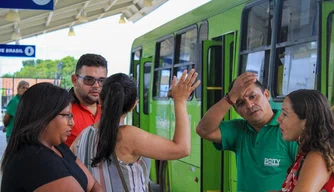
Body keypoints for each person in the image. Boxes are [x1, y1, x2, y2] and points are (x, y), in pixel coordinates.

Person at [71, 69, 200, 191]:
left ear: (100, 100)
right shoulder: (128, 135)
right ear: (134, 105)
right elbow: (182, 148)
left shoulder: (82, 136)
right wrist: (180, 101)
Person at [196, 72, 298, 192]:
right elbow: (203, 130)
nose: (249, 105)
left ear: (266, 94)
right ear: (237, 110)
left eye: (252, 96)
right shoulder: (238, 130)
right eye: (240, 103)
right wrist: (230, 98)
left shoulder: (289, 130)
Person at [1, 83, 103, 192]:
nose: (72, 123)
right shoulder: (36, 159)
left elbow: (94, 186)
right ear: (44, 116)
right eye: (67, 115)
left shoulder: (58, 147)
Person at [277, 89, 334, 191]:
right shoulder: (307, 153)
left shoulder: (317, 157)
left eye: (285, 114)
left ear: (306, 123)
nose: (279, 119)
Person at [65, 53, 108, 147]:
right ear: (74, 80)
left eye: (102, 81)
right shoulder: (61, 110)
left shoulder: (109, 110)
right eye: (89, 80)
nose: (96, 85)